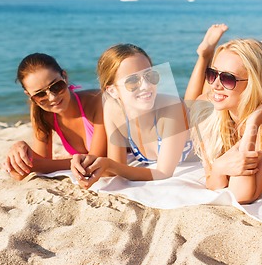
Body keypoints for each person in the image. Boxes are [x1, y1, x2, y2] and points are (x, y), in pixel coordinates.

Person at [186, 23, 262, 204]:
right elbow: (213, 181)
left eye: (227, 78)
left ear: (253, 83)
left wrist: (253, 126)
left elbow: (242, 195)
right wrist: (218, 168)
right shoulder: (206, 110)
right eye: (212, 74)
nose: (215, 84)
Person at [70, 44, 193, 188]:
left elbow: (163, 173)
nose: (146, 86)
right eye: (132, 81)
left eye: (150, 75)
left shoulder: (172, 107)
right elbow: (117, 164)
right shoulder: (112, 109)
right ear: (112, 91)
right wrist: (88, 164)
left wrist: (108, 164)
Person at [3, 53, 106, 183]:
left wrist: (33, 165)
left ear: (65, 77)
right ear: (30, 96)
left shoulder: (97, 101)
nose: (52, 97)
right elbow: (42, 161)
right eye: (40, 94)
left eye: (56, 86)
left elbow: (95, 161)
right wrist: (19, 148)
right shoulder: (42, 113)